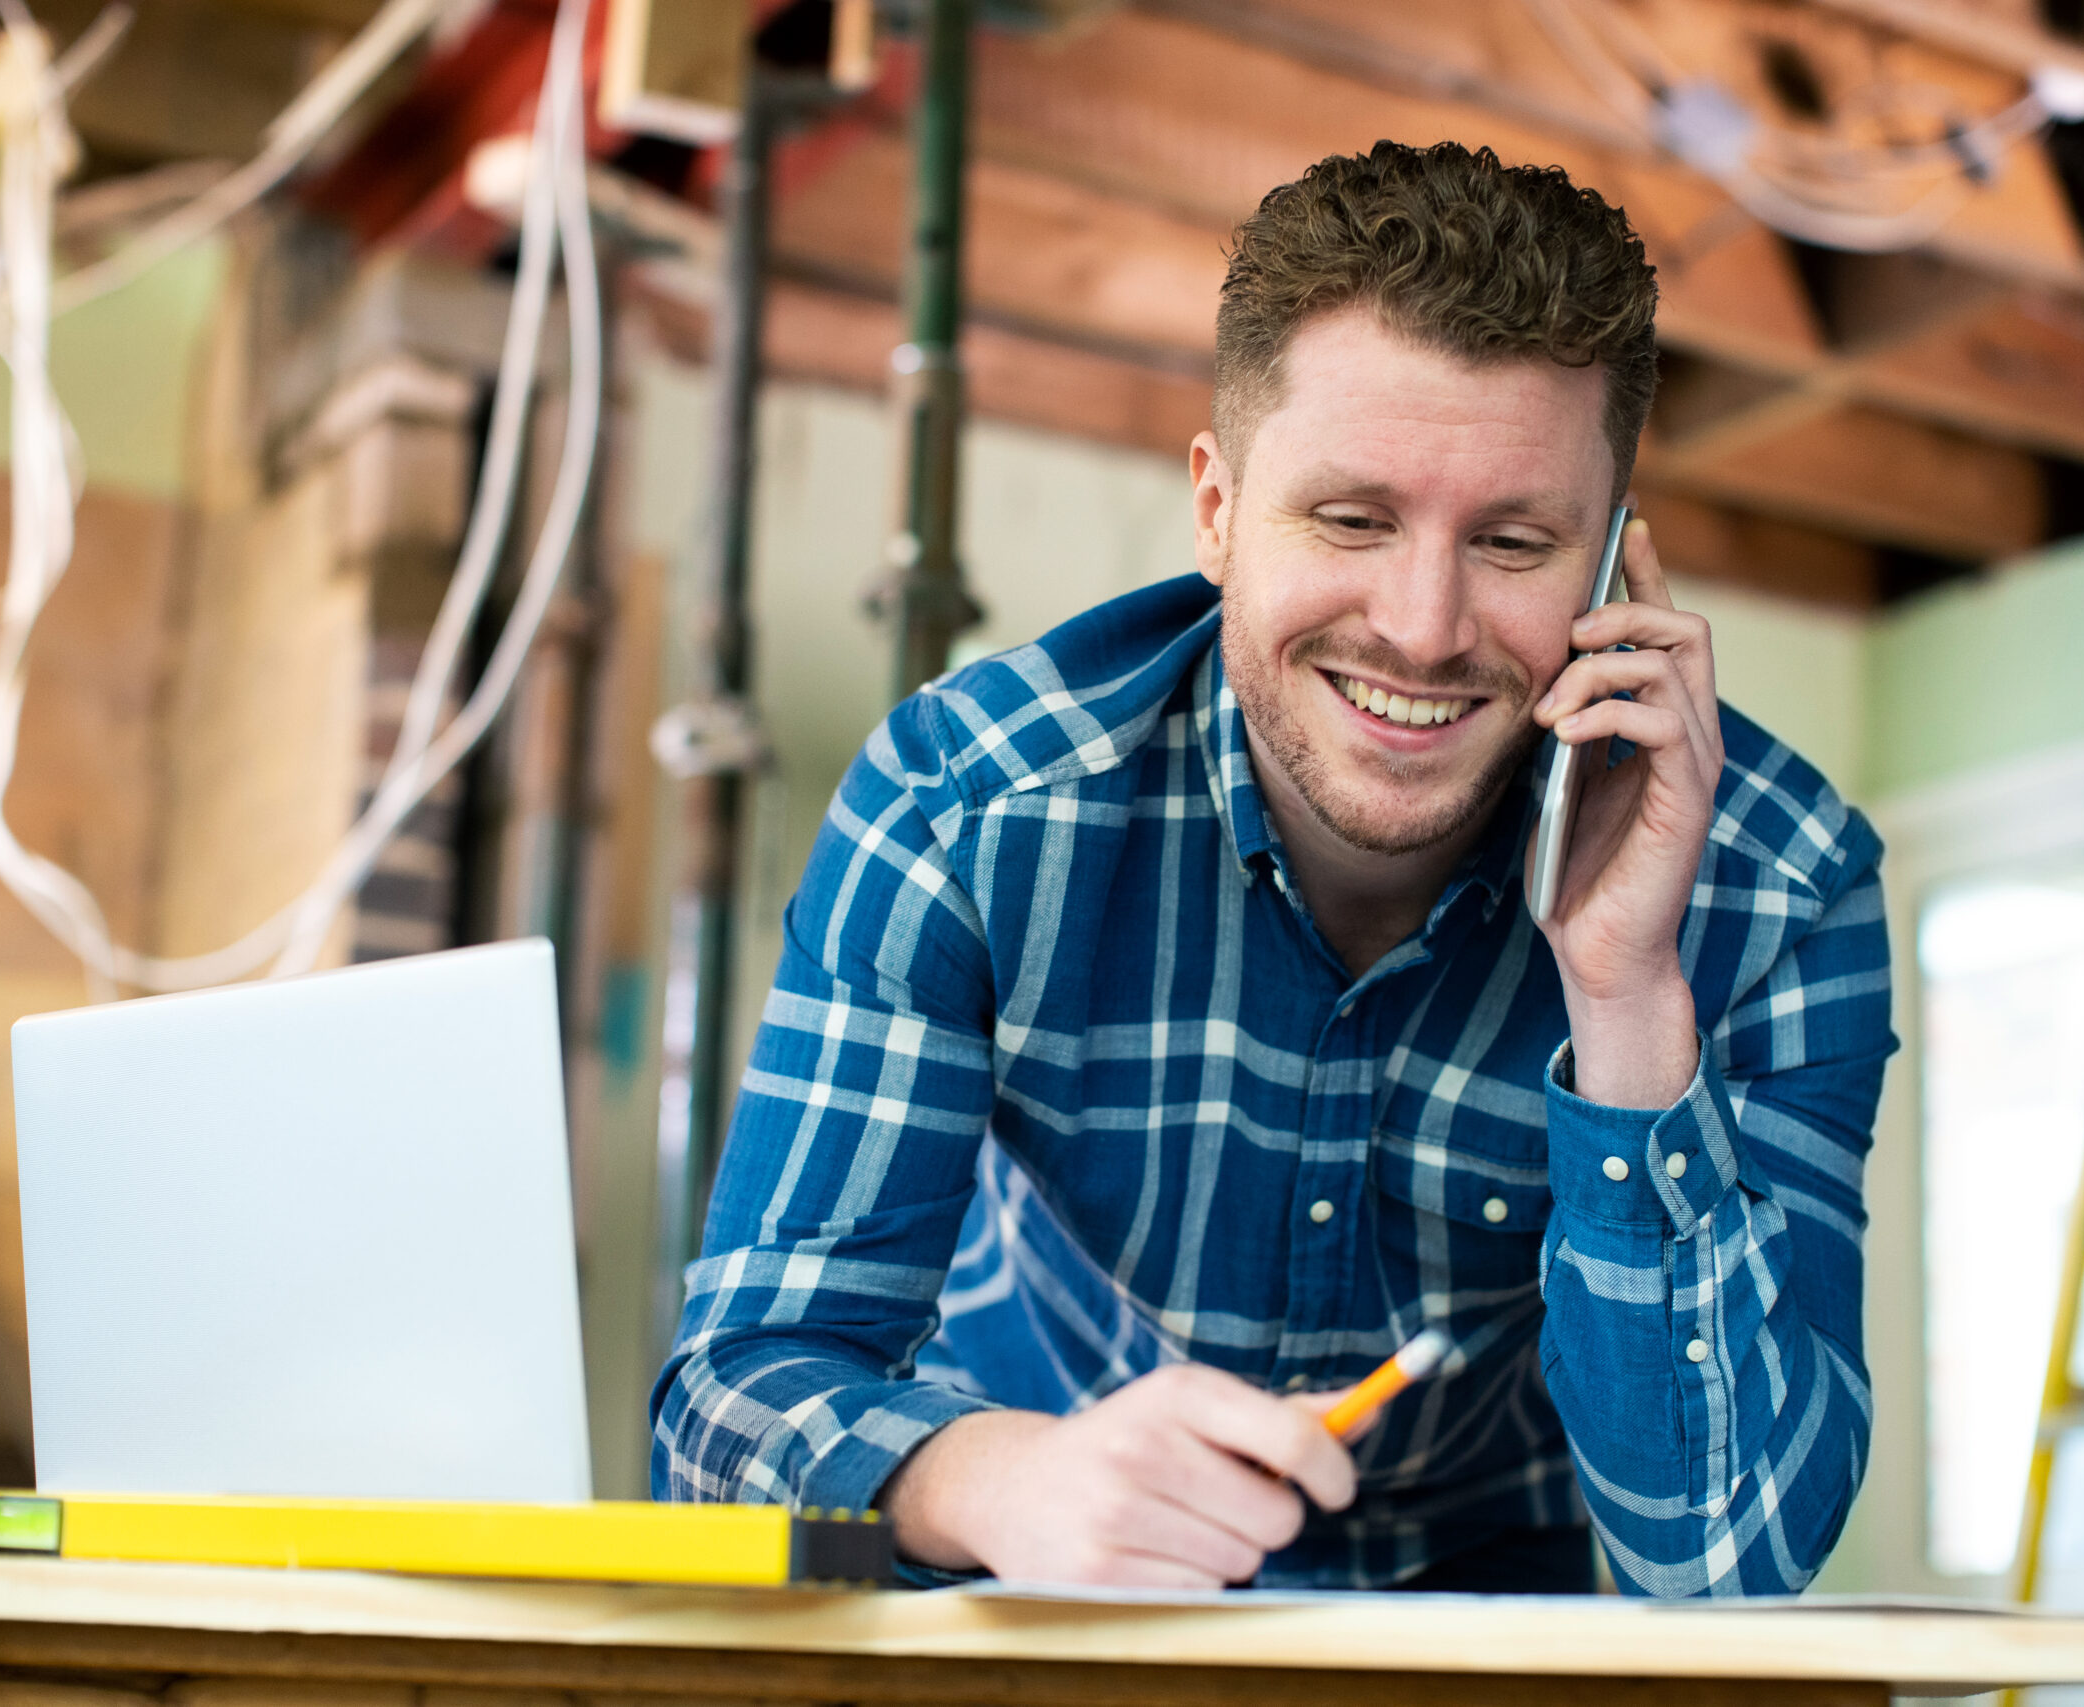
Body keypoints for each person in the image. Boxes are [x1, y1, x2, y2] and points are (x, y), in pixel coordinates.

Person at [650, 140, 1893, 1596]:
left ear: (1614, 569)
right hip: (1054, 1576)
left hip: (1488, 1652)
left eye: (1512, 540)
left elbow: (1729, 1565)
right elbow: (727, 1409)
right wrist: (996, 1479)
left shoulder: (1776, 886)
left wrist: (1626, 1000)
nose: (1425, 628)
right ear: (1218, 511)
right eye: (1352, 519)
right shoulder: (964, 807)